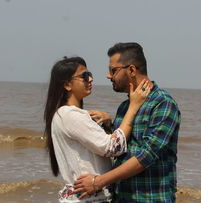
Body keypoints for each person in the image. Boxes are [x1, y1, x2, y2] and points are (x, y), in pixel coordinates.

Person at [73, 43, 181, 203]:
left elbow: (146, 156)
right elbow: (121, 149)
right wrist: (109, 125)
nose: (108, 76)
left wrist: (98, 182)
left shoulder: (163, 103)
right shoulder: (125, 107)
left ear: (131, 70)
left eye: (113, 70)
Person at [43, 56, 152, 202]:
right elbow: (113, 147)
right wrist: (133, 106)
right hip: (87, 198)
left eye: (90, 74)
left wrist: (108, 123)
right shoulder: (69, 115)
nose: (90, 79)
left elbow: (98, 149)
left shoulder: (67, 114)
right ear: (68, 85)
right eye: (84, 76)